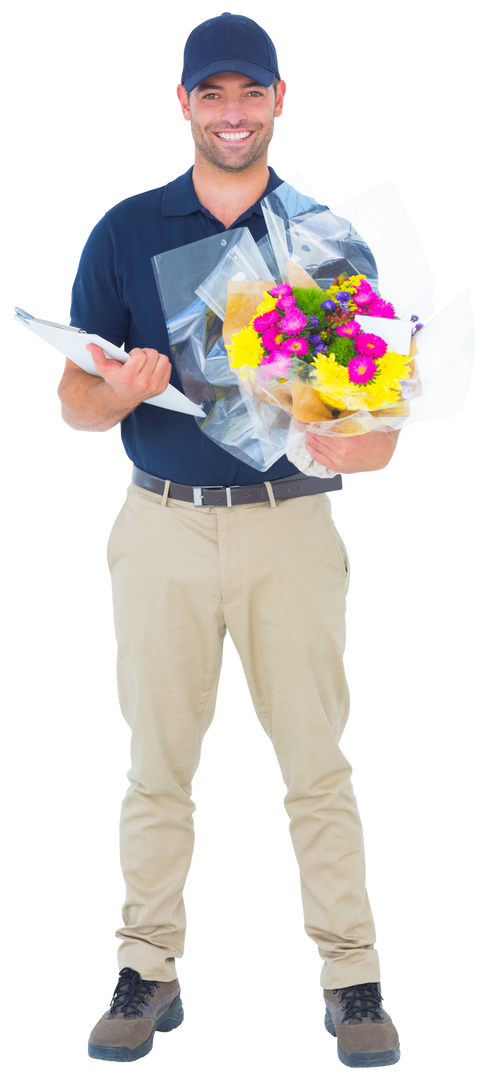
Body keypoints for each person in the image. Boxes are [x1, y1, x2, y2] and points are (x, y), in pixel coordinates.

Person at [54, 12, 403, 1070]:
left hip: (290, 530)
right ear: (183, 105)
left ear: (281, 100)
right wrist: (117, 392)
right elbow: (72, 404)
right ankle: (146, 968)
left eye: (251, 95)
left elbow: (377, 438)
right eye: (214, 95)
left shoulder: (324, 242)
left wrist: (346, 437)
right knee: (156, 765)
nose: (234, 113)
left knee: (315, 765)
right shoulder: (125, 229)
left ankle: (353, 978)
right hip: (159, 526)